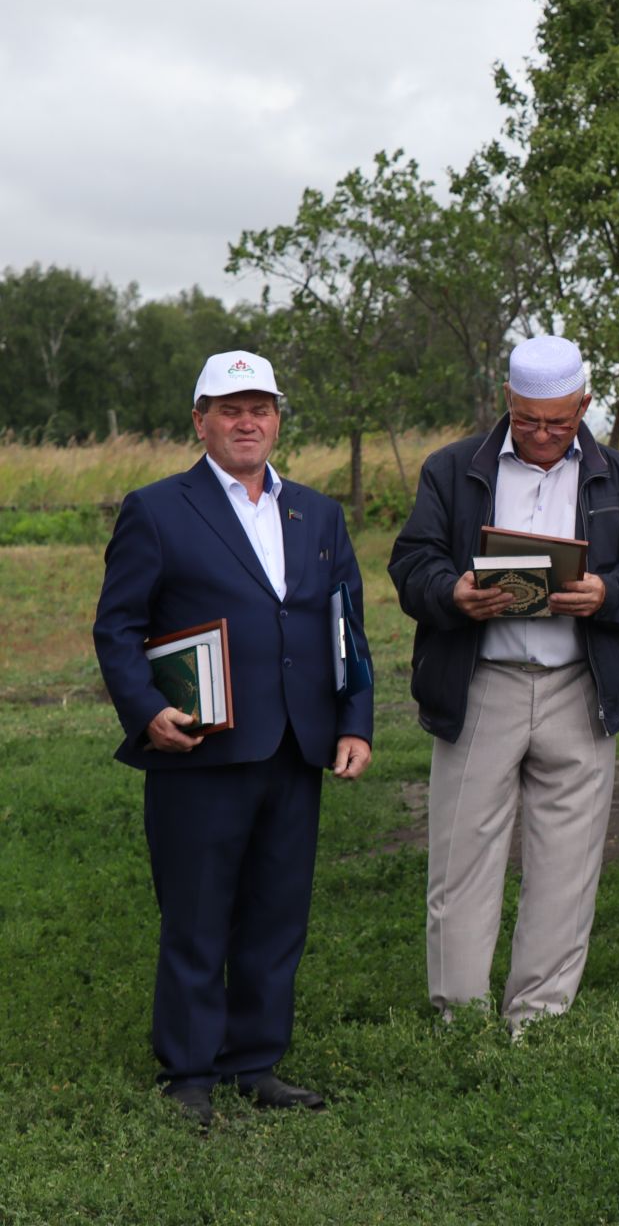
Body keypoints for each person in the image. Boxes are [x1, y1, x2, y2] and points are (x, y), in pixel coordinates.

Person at [93, 351, 374, 1128]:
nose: (246, 421)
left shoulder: (316, 512)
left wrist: (355, 720)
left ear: (278, 417)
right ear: (200, 421)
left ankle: (255, 1060)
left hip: (295, 745)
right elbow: (117, 627)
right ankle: (187, 1069)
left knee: (278, 912)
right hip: (199, 748)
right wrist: (147, 709)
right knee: (197, 911)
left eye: (260, 407)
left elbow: (344, 624)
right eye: (228, 408)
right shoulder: (157, 508)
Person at [387, 335, 619, 1034]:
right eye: (528, 420)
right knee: (462, 857)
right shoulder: (453, 470)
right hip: (483, 681)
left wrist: (607, 592)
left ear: (584, 404)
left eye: (559, 421)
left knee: (568, 861)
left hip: (579, 685)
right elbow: (411, 559)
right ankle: (458, 1011)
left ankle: (538, 1017)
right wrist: (453, 592)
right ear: (505, 403)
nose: (544, 435)